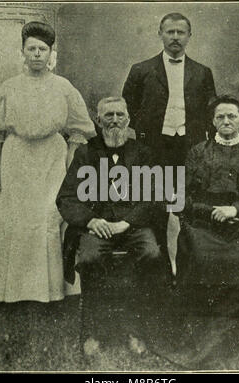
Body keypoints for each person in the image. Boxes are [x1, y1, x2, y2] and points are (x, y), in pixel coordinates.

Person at [0, 21, 96, 303]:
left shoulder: (63, 87)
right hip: (16, 159)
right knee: (15, 220)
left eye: (42, 49)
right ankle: (11, 289)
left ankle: (50, 289)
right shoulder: (9, 88)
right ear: (22, 52)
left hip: (51, 159)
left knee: (48, 218)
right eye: (31, 48)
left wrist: (71, 164)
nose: (36, 54)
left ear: (50, 53)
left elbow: (80, 129)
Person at [56, 97, 166, 353]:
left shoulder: (144, 153)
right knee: (91, 258)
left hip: (134, 226)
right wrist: (92, 220)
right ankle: (94, 331)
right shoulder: (85, 153)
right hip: (96, 226)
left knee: (151, 254)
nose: (114, 120)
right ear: (98, 120)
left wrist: (127, 222)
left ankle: (135, 330)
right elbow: (66, 197)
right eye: (108, 116)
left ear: (128, 120)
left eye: (119, 115)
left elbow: (157, 196)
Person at [175, 95, 239, 313]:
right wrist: (210, 211)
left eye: (232, 116)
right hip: (205, 226)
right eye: (220, 117)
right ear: (212, 121)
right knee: (201, 258)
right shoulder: (197, 152)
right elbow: (180, 198)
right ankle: (203, 325)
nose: (226, 121)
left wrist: (236, 209)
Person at [122, 12, 216, 180]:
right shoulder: (140, 70)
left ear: (189, 36)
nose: (175, 37)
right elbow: (128, 106)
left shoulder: (202, 72)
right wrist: (143, 131)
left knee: (188, 190)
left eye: (180, 32)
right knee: (153, 190)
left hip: (191, 143)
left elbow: (211, 111)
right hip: (152, 143)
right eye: (170, 32)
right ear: (160, 34)